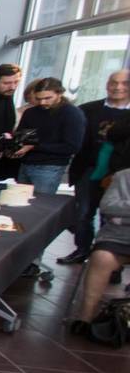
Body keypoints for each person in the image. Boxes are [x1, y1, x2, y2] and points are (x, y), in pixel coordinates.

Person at [14, 77, 85, 279]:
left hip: (50, 168)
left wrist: (36, 146)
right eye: (39, 98)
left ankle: (33, 262)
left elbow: (72, 146)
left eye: (48, 98)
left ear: (59, 93)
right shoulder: (31, 112)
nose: (43, 102)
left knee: (38, 217)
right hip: (26, 165)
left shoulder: (72, 114)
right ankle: (16, 259)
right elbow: (23, 135)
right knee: (20, 213)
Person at [58, 69, 130, 265]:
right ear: (107, 84)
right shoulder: (88, 109)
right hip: (88, 169)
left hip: (121, 175)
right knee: (83, 213)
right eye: (114, 82)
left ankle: (111, 261)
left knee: (114, 216)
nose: (118, 87)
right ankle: (82, 250)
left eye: (124, 83)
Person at [66, 168, 130, 339]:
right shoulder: (123, 176)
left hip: (121, 226)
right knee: (102, 257)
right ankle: (85, 317)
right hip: (117, 237)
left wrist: (123, 216)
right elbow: (108, 207)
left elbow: (118, 212)